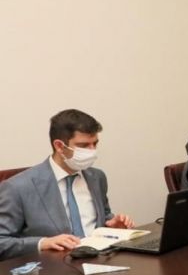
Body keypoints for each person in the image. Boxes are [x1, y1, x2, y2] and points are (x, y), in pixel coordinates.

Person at [0, 109, 134, 261]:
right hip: (53, 267)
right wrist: (42, 243)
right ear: (59, 146)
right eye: (83, 145)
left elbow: (102, 218)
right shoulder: (17, 187)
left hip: (99, 260)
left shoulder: (97, 177)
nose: (92, 151)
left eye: (95, 144)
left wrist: (112, 226)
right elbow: (2, 241)